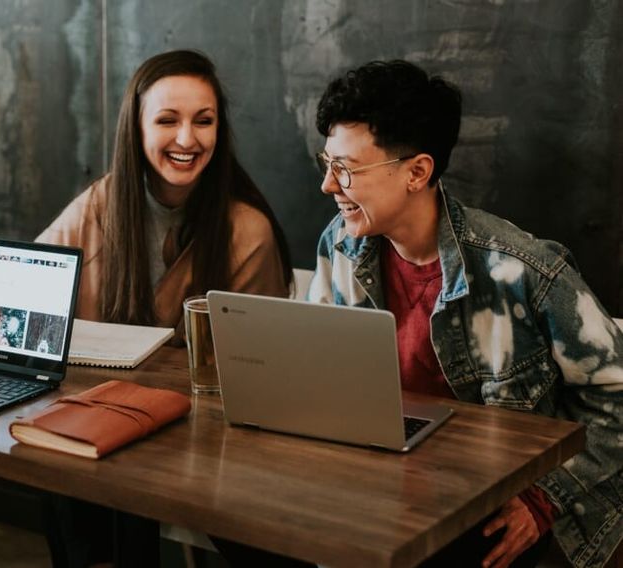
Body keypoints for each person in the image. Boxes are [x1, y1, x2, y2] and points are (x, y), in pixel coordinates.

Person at [309, 60, 623, 568]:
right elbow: (316, 373)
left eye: (345, 169)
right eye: (326, 162)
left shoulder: (522, 270)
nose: (328, 184)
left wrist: (545, 499)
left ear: (417, 172)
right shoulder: (341, 243)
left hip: (492, 506)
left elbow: (617, 396)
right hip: (387, 493)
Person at [37, 49, 292, 332]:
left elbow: (257, 358)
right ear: (137, 128)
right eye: (167, 121)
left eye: (203, 121)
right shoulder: (99, 204)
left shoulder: (248, 232)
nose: (186, 139)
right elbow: (25, 286)